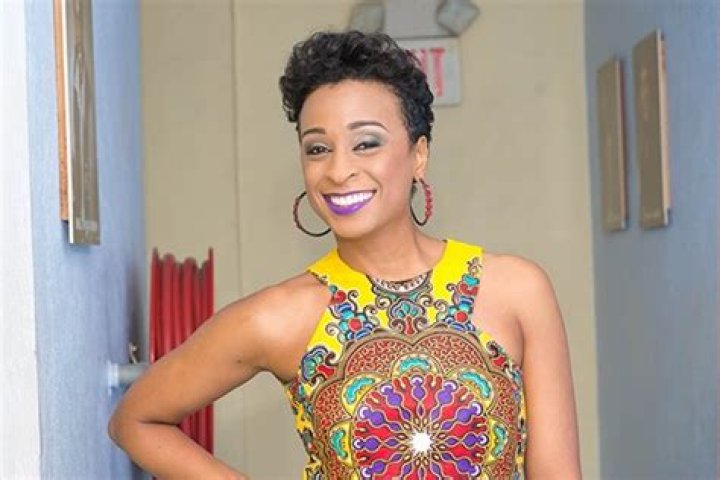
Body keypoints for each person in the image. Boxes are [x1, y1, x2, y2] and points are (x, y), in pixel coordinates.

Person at [109, 30, 581, 479]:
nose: (338, 170)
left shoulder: (517, 290)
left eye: (366, 143)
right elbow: (136, 420)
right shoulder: (280, 316)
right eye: (318, 149)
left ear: (419, 154)